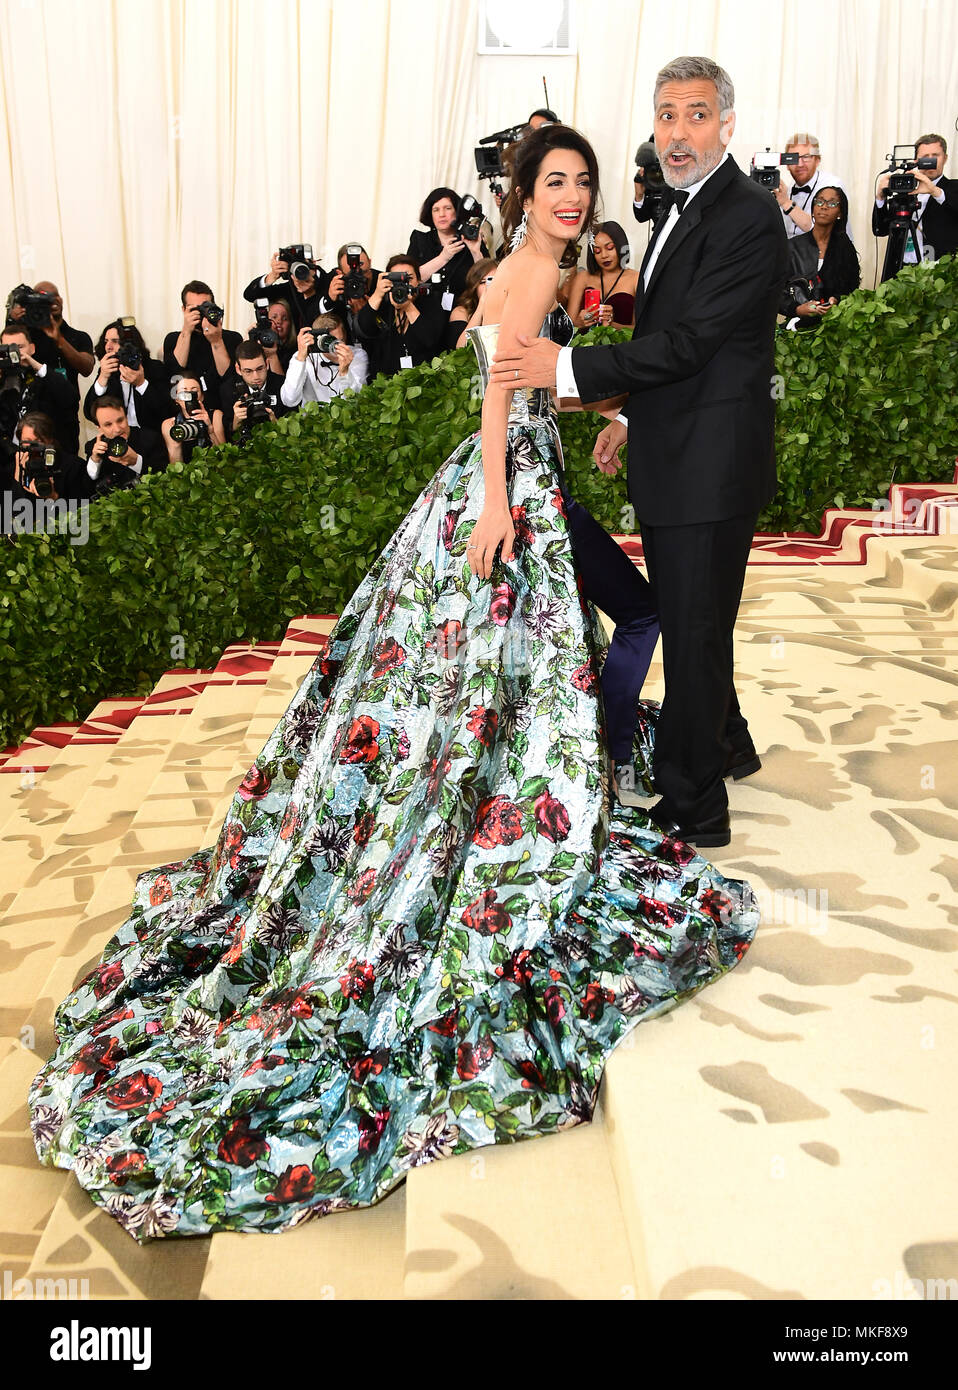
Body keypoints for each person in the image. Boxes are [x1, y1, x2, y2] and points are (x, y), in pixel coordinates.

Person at [28, 120, 757, 1243]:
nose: (572, 198)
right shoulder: (527, 267)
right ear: (522, 193)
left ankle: (566, 769)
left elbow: (525, 378)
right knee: (514, 663)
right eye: (554, 182)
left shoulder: (544, 269)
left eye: (583, 184)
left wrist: (601, 416)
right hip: (505, 493)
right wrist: (504, 500)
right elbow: (493, 397)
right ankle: (555, 781)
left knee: (509, 669)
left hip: (524, 477)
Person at [491, 56, 789, 847]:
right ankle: (726, 743)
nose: (678, 132)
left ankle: (697, 805)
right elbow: (671, 340)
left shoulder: (746, 214)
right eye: (665, 115)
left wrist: (569, 368)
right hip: (679, 444)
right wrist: (625, 417)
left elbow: (692, 344)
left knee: (690, 627)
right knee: (700, 620)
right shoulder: (682, 206)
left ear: (726, 120)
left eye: (695, 114)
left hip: (708, 465)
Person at [873, 134, 958, 278]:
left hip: (938, 272)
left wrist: (934, 191)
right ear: (916, 160)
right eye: (925, 156)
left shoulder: (952, 188)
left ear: (945, 158)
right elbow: (880, 229)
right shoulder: (905, 190)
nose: (930, 160)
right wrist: (880, 198)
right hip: (902, 269)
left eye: (935, 155)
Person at [780, 187, 860, 329]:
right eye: (820, 201)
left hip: (835, 325)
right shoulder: (792, 247)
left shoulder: (845, 248)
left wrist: (836, 300)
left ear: (840, 213)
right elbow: (774, 291)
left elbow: (851, 289)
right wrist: (797, 309)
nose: (824, 207)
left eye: (832, 203)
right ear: (812, 209)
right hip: (797, 327)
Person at [355, 256, 446, 379]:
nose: (403, 284)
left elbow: (429, 339)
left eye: (408, 278)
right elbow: (363, 330)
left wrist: (408, 307)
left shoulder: (430, 303)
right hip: (385, 386)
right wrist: (377, 294)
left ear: (419, 281)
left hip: (422, 383)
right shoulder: (383, 304)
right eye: (396, 279)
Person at [1, 412, 90, 534]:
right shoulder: (11, 470)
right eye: (27, 442)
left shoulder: (73, 466)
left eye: (38, 441)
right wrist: (18, 475)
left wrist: (53, 497)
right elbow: (9, 519)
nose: (33, 448)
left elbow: (81, 516)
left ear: (50, 440)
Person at [0, 322, 81, 454]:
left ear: (32, 348)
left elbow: (71, 398)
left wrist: (35, 365)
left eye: (19, 347)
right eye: (7, 348)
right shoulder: (4, 382)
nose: (13, 353)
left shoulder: (46, 376)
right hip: (12, 459)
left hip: (51, 455)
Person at [163, 282, 243, 412]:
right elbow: (175, 372)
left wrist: (216, 341)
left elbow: (228, 377)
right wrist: (186, 331)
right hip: (186, 410)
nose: (200, 314)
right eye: (194, 309)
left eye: (204, 307)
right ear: (184, 310)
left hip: (222, 408)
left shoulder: (232, 338)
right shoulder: (173, 339)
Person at [6, 280, 95, 390]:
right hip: (34, 402)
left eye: (54, 296)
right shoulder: (27, 337)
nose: (51, 300)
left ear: (61, 300)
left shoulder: (78, 336)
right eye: (44, 298)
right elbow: (10, 360)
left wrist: (60, 340)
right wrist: (13, 320)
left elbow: (87, 368)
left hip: (66, 403)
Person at [84, 321, 173, 431]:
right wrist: (102, 378)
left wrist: (141, 384)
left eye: (115, 341)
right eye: (106, 341)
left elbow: (166, 411)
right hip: (118, 435)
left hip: (150, 436)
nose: (108, 346)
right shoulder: (108, 372)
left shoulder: (154, 368)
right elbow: (89, 413)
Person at [408, 187, 491, 302]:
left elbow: (489, 283)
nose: (441, 214)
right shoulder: (419, 239)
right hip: (424, 309)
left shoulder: (471, 240)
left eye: (447, 208)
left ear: (457, 212)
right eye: (436, 210)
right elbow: (409, 280)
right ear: (430, 214)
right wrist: (443, 258)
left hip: (463, 308)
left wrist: (476, 252)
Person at [84, 396, 167, 497]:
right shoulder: (94, 447)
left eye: (120, 420)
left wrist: (136, 462)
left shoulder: (150, 438)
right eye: (108, 424)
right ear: (99, 428)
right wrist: (95, 459)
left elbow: (164, 475)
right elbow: (90, 484)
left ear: (126, 417)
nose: (117, 429)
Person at [774, 133, 851, 242]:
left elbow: (820, 229)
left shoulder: (832, 186)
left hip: (830, 255)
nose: (800, 164)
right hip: (795, 255)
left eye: (806, 157)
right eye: (794, 158)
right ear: (787, 164)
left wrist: (786, 203)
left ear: (817, 160)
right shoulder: (788, 189)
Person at [281, 314, 368, 407]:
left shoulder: (357, 355)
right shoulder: (304, 357)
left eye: (340, 341)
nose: (335, 347)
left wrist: (345, 373)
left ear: (345, 336)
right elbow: (289, 400)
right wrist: (300, 360)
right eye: (330, 342)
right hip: (313, 419)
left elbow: (357, 401)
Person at [566, 221, 638, 330]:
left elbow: (640, 329)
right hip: (584, 345)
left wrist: (612, 325)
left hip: (621, 346)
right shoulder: (583, 278)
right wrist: (579, 323)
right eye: (597, 251)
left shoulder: (636, 279)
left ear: (620, 246)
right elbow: (567, 327)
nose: (604, 255)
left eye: (610, 248)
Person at [222, 340, 288, 441]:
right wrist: (236, 422)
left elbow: (293, 431)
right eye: (248, 371)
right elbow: (228, 437)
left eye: (260, 368)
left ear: (267, 364)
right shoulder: (228, 389)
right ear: (238, 369)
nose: (256, 376)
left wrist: (276, 423)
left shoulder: (282, 385)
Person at [160, 376, 226, 463]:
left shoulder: (215, 415)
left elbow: (223, 459)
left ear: (201, 396)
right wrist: (176, 446)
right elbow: (175, 468)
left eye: (194, 391)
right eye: (184, 392)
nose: (189, 396)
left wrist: (210, 431)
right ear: (176, 399)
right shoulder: (170, 424)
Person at [445, 258, 497, 350]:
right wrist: (481, 306)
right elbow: (460, 349)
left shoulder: (509, 308)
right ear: (474, 286)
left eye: (492, 280)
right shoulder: (461, 311)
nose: (488, 286)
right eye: (483, 282)